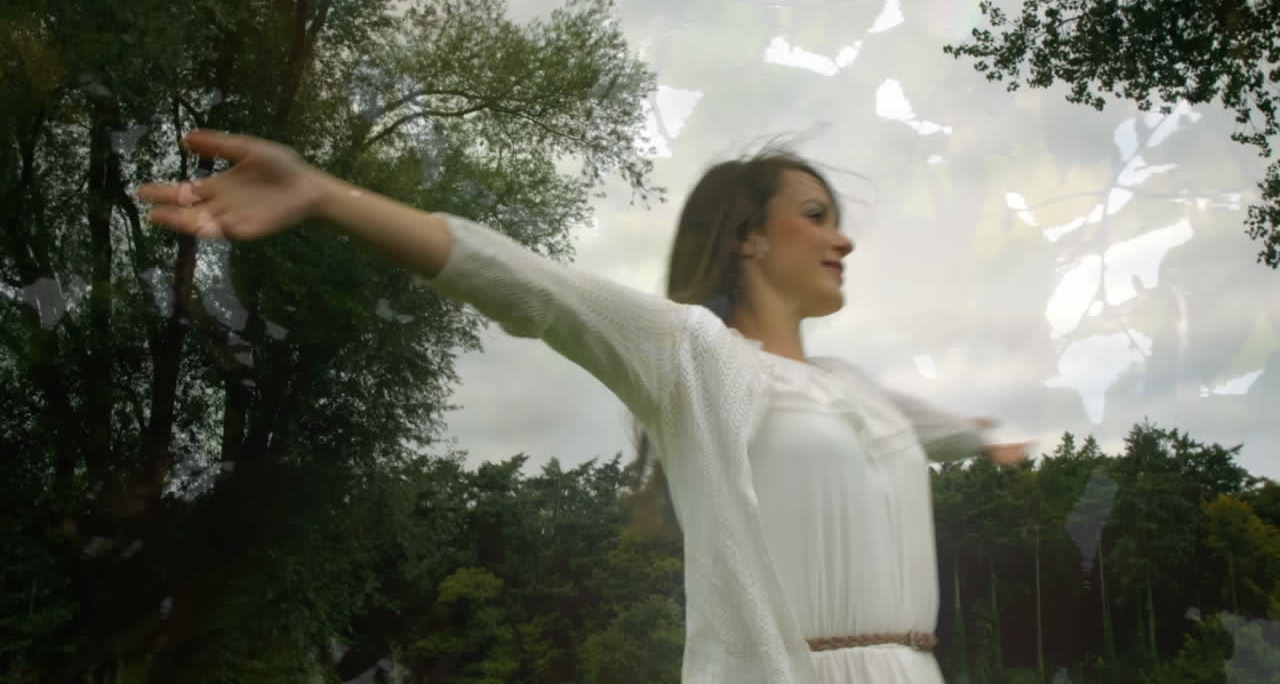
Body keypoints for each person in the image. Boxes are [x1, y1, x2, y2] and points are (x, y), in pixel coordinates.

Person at [140, 129, 1028, 684]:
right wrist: (327, 195)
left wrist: (989, 442)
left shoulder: (854, 391)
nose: (843, 237)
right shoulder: (698, 357)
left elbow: (930, 428)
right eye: (815, 214)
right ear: (750, 238)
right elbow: (533, 286)